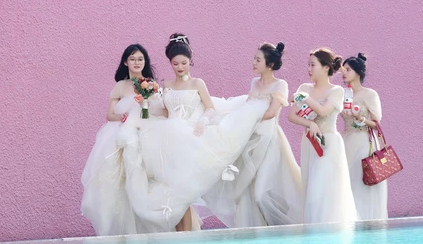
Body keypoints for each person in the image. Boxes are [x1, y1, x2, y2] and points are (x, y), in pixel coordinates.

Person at [118, 33, 268, 231]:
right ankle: (181, 234)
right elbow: (165, 112)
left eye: (184, 63)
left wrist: (203, 121)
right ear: (170, 63)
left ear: (190, 61)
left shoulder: (198, 83)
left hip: (191, 137)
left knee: (184, 191)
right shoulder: (166, 85)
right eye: (175, 64)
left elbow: (210, 107)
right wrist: (146, 105)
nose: (180, 67)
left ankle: (188, 236)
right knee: (172, 191)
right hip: (168, 139)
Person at [202, 42, 302, 227]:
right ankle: (257, 230)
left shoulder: (280, 85)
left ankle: (281, 226)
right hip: (252, 138)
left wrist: (248, 119)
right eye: (254, 59)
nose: (254, 63)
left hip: (269, 140)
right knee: (249, 188)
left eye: (258, 60)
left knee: (262, 193)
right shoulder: (254, 83)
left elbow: (271, 113)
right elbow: (247, 107)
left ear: (270, 64)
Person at [80, 44, 166, 235]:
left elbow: (158, 111)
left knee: (147, 178)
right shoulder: (120, 86)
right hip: (122, 134)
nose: (137, 63)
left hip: (145, 133)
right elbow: (110, 115)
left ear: (145, 62)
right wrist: (122, 117)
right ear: (126, 62)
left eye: (140, 59)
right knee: (118, 180)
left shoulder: (151, 85)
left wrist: (145, 105)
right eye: (132, 59)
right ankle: (123, 230)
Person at [289, 47, 357, 225]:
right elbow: (292, 116)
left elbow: (323, 111)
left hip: (329, 144)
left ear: (326, 67)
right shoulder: (304, 87)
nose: (309, 69)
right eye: (308, 65)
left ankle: (329, 229)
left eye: (313, 65)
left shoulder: (337, 91)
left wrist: (305, 98)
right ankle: (313, 231)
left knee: (321, 190)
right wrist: (310, 124)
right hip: (310, 142)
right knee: (310, 187)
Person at [341, 53, 387, 220]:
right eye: (343, 70)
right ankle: (350, 217)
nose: (344, 73)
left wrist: (361, 118)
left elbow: (376, 123)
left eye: (348, 69)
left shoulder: (369, 94)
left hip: (363, 142)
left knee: (361, 180)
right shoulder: (343, 94)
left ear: (358, 72)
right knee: (346, 181)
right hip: (346, 140)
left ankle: (366, 218)